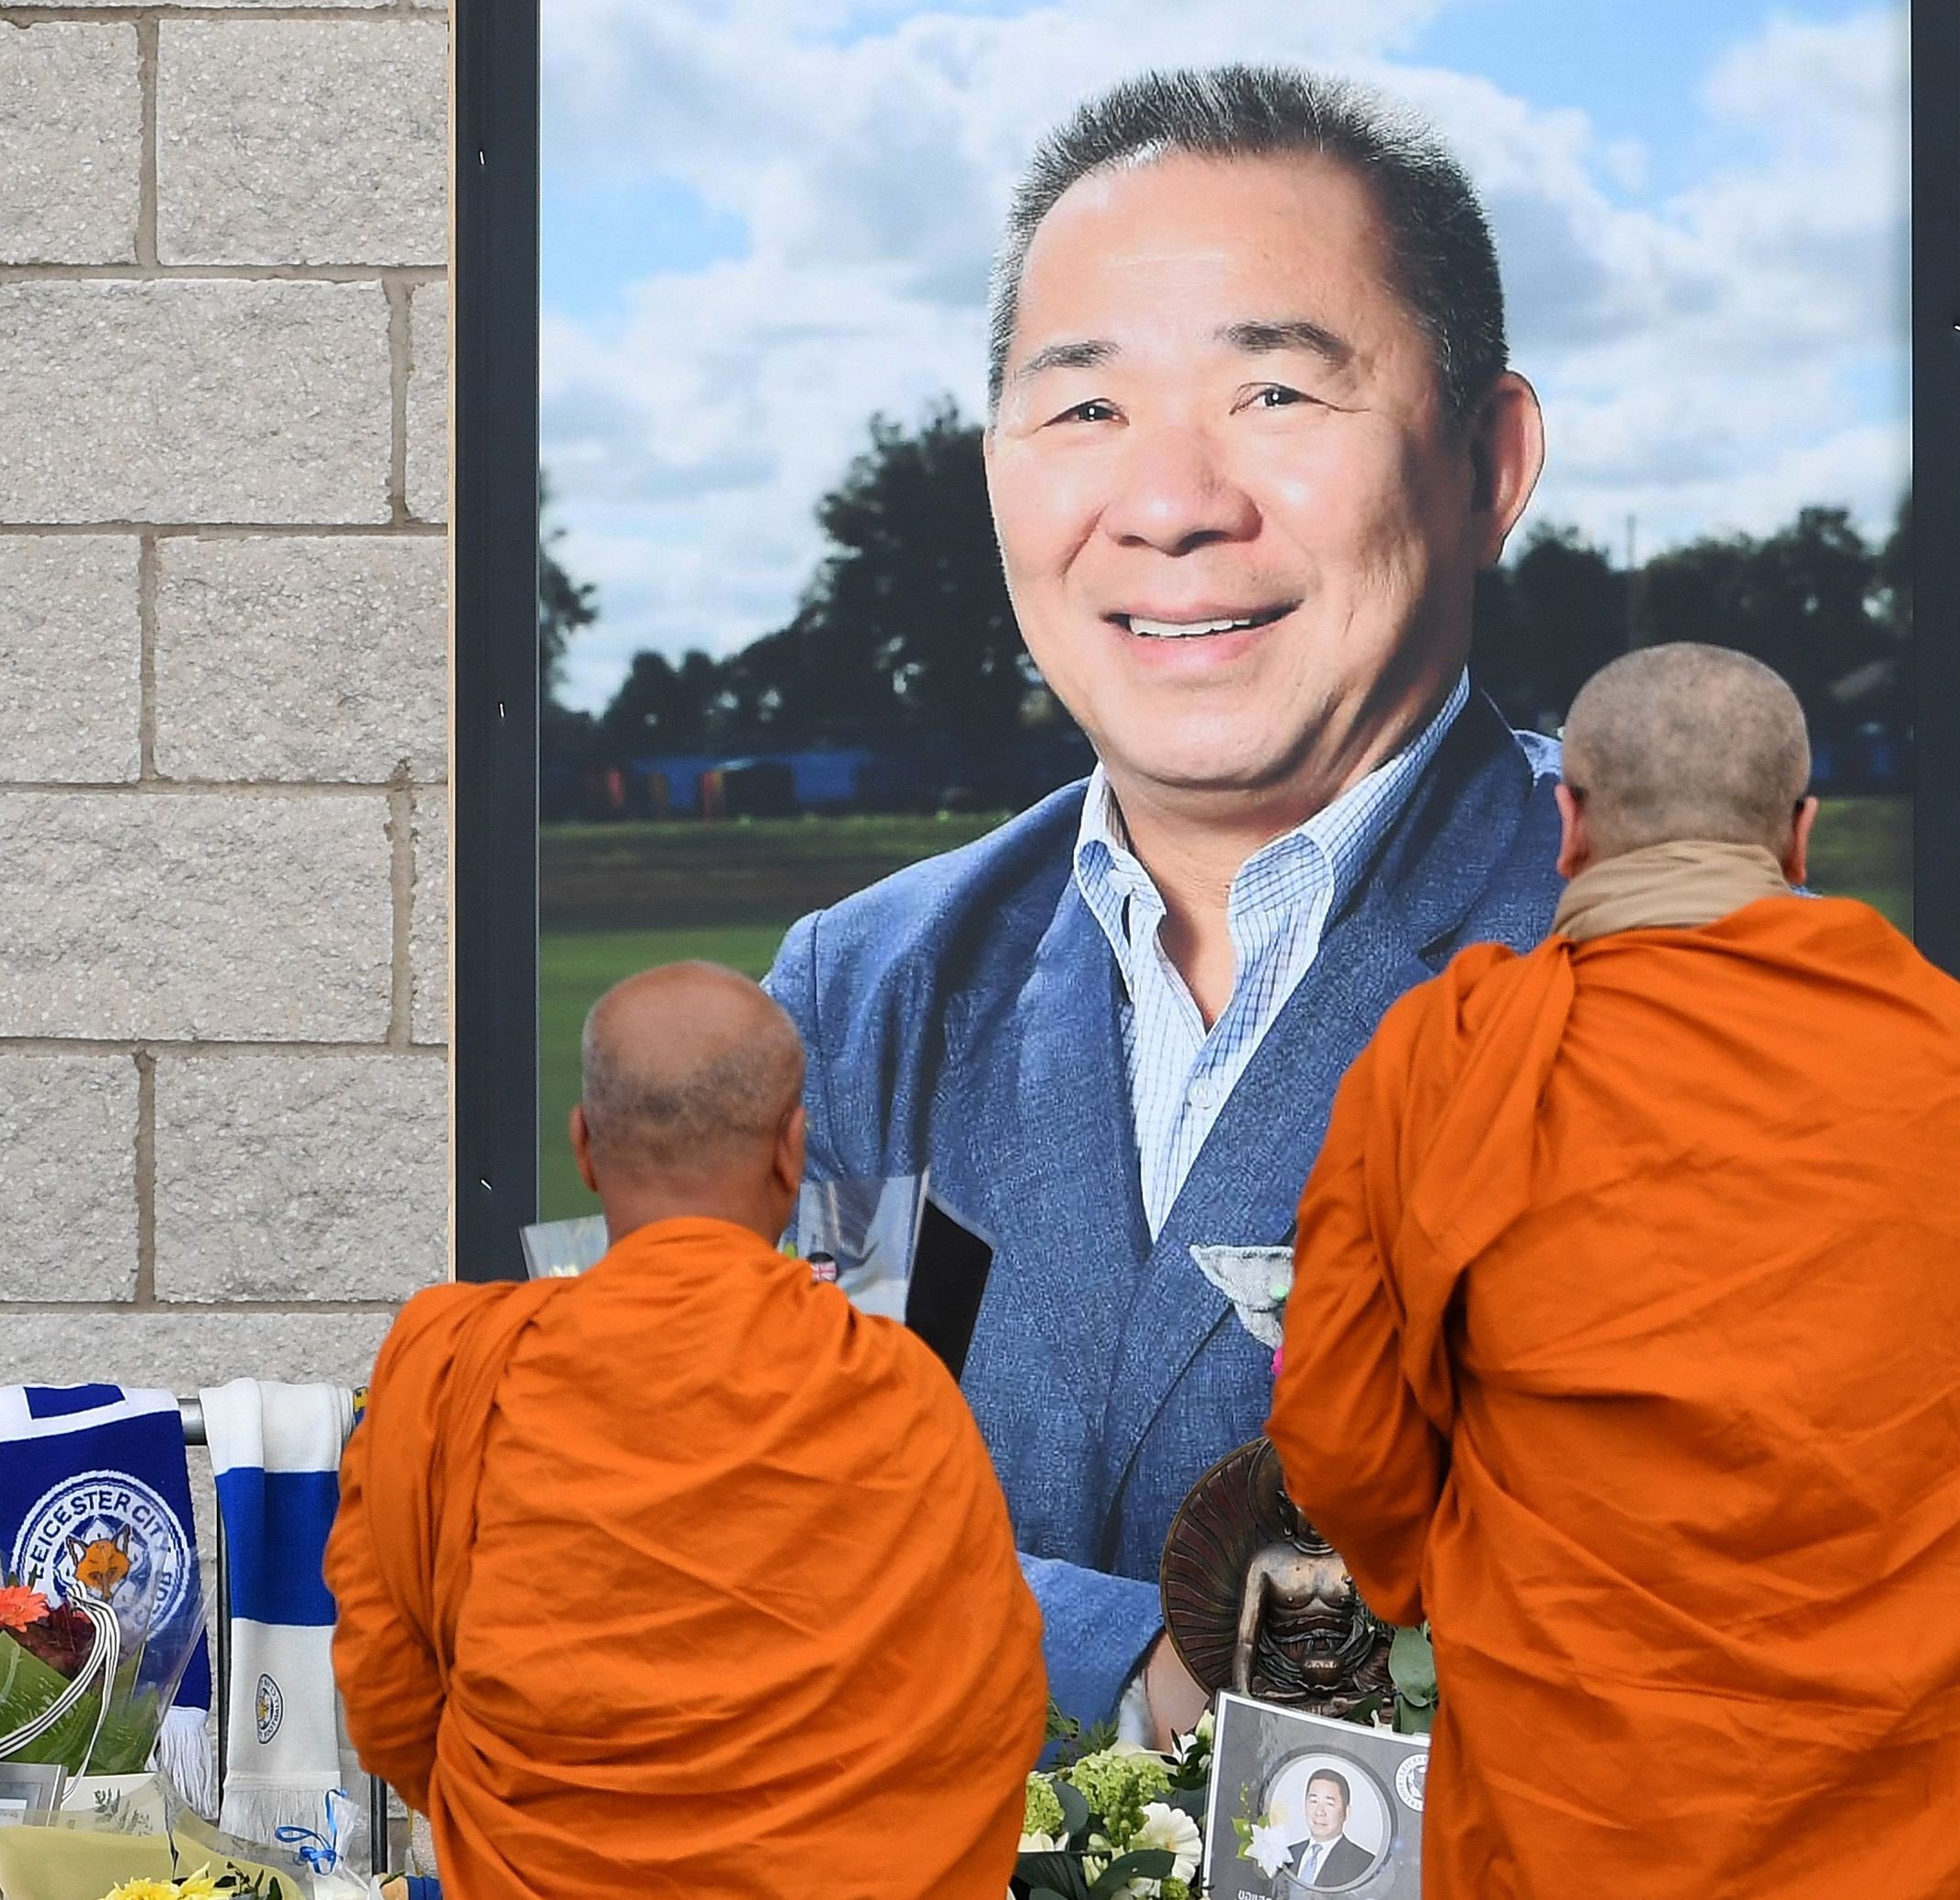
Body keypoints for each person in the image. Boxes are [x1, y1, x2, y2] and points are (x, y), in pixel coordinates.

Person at [766, 63, 1561, 1737]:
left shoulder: (1672, 975)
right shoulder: (860, 991)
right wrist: (1152, 1663)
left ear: (1488, 460)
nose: (1173, 501)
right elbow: (724, 1530)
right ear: (995, 473)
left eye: (1274, 391)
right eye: (1083, 409)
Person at [1267, 646, 1960, 1899]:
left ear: (1564, 819)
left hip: (1586, 1800)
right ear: (1798, 833)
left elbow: (1341, 1434)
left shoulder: (1446, 1064)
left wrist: (1455, 1566)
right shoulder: (1937, 1052)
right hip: (1931, 1805)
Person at [327, 963, 1046, 1900]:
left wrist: (518, 1824)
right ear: (792, 1152)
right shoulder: (889, 1383)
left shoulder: (457, 1364)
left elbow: (388, 1695)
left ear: (584, 1148)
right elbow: (989, 1707)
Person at [1284, 1769, 1375, 1891]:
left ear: (1346, 1812)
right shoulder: (1286, 1854)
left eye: (1329, 1804)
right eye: (1314, 1801)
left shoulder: (1364, 1864)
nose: (1319, 1812)